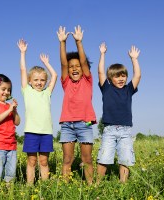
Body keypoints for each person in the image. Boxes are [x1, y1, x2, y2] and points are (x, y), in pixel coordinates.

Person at [57, 25, 97, 185]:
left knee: (87, 158)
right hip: (67, 125)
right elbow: (63, 65)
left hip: (84, 124)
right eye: (71, 66)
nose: (74, 68)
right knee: (67, 159)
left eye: (77, 66)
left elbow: (83, 62)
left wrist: (79, 42)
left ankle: (91, 186)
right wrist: (62, 43)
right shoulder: (66, 82)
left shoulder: (87, 80)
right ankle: (65, 187)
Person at [96, 42, 141, 183]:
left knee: (125, 158)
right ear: (110, 79)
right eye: (117, 76)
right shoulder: (106, 88)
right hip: (109, 130)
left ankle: (123, 184)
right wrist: (102, 54)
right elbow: (100, 72)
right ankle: (97, 184)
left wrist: (134, 59)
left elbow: (138, 75)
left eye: (123, 76)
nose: (121, 79)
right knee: (104, 158)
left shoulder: (128, 90)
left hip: (125, 130)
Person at [17, 39, 58, 185]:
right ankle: (29, 186)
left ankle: (45, 186)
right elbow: (23, 70)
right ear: (29, 81)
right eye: (35, 80)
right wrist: (23, 53)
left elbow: (54, 76)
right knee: (32, 160)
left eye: (42, 80)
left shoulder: (47, 93)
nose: (39, 82)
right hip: (31, 132)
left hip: (46, 132)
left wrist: (46, 64)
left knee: (44, 161)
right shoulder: (27, 91)